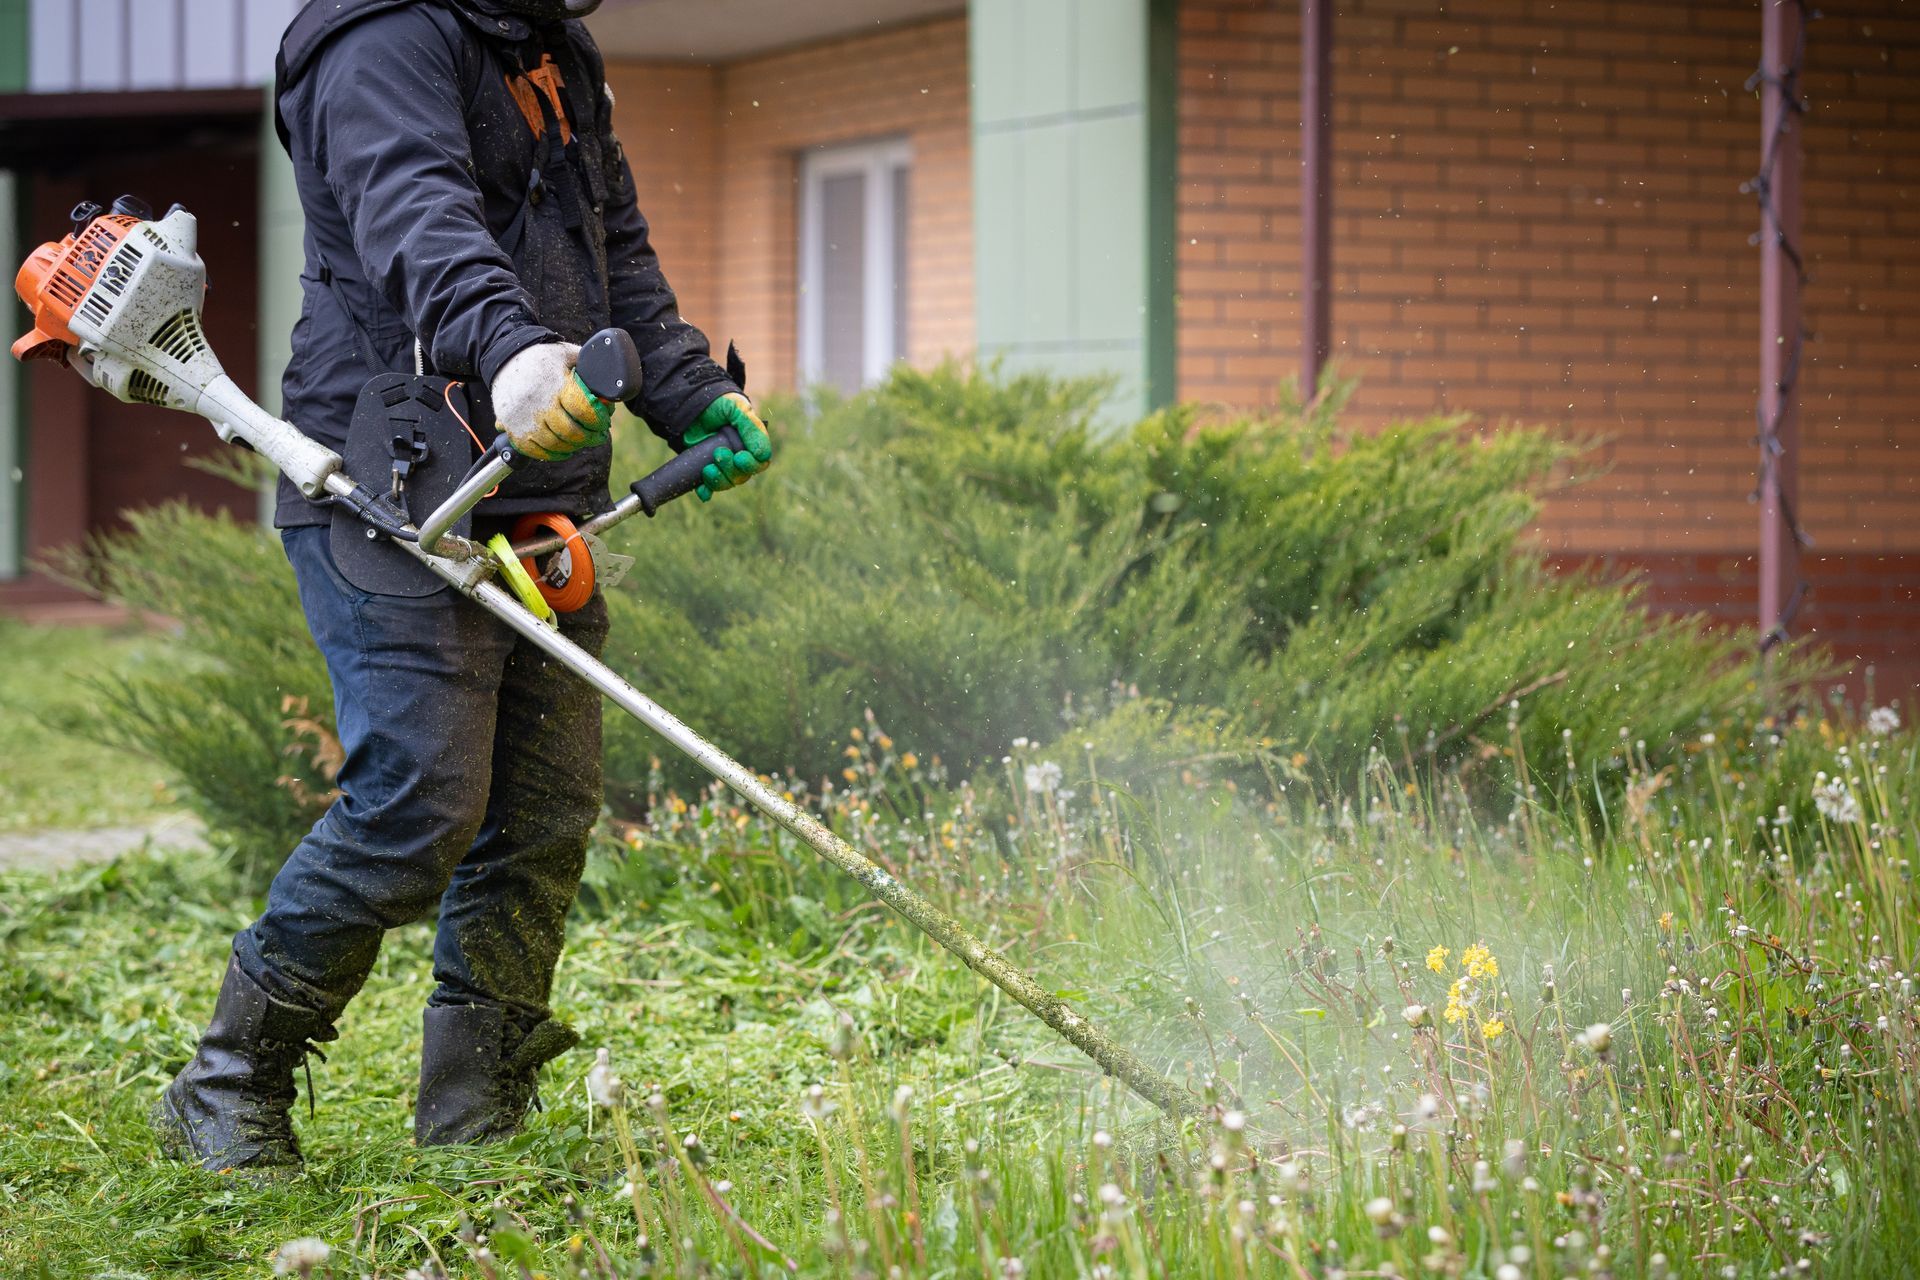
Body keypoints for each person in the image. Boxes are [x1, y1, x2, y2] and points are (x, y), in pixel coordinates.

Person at [152, 0, 772, 1178]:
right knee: (419, 803)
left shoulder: (550, 41)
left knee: (544, 803)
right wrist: (506, 348)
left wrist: (687, 390)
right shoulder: (376, 35)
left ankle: (476, 1107)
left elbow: (612, 249)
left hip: (536, 486)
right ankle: (225, 1080)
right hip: (390, 480)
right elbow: (416, 221)